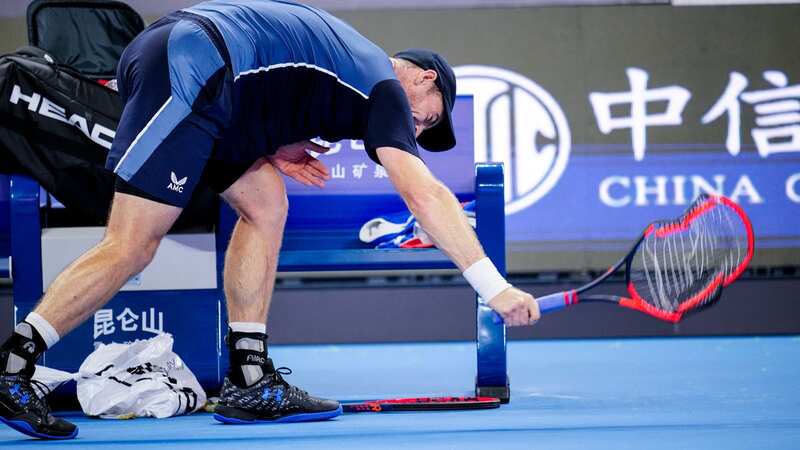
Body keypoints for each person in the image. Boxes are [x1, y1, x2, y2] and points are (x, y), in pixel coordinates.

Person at [0, 0, 540, 439]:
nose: (419, 131)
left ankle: (250, 378)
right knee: (133, 244)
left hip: (203, 70)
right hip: (195, 63)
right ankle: (12, 368)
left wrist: (276, 146)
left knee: (265, 206)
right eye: (431, 118)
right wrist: (494, 288)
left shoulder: (348, 70)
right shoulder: (386, 88)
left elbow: (274, 69)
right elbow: (423, 192)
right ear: (423, 79)